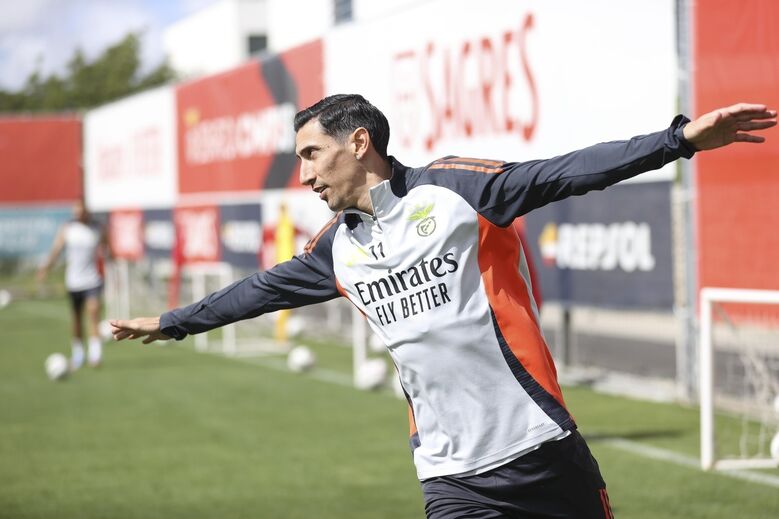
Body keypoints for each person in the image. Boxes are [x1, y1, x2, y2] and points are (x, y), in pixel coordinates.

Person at [111, 95, 776, 518]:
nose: (305, 174)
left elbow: (563, 171)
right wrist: (172, 322)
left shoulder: (455, 191)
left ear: (359, 143)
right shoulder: (336, 249)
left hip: (540, 450)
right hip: (451, 476)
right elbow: (258, 290)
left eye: (312, 154)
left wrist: (679, 140)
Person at [39, 200, 110, 370]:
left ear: (87, 212)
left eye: (81, 211)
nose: (78, 214)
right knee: (77, 319)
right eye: (75, 211)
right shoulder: (68, 229)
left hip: (92, 279)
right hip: (74, 281)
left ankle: (95, 355)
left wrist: (111, 263)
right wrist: (46, 267)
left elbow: (107, 248)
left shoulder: (97, 228)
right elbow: (57, 249)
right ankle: (78, 354)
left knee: (93, 313)